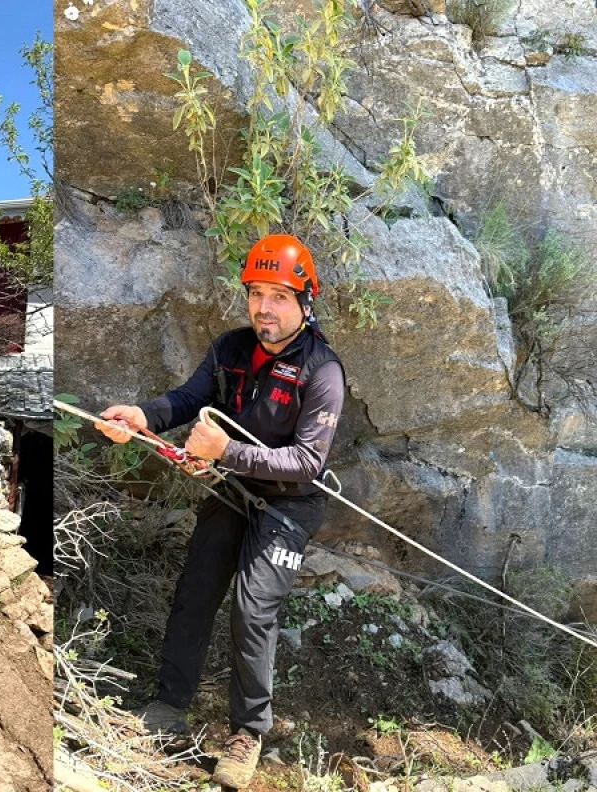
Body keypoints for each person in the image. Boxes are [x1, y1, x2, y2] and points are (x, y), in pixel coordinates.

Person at [98, 234, 346, 789]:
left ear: (306, 302)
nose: (264, 307)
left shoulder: (322, 371)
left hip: (291, 505)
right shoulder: (230, 349)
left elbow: (307, 460)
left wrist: (224, 453)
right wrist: (141, 415)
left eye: (279, 296)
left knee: (253, 610)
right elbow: (186, 399)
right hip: (233, 492)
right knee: (196, 590)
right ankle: (168, 705)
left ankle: (247, 732)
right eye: (257, 293)